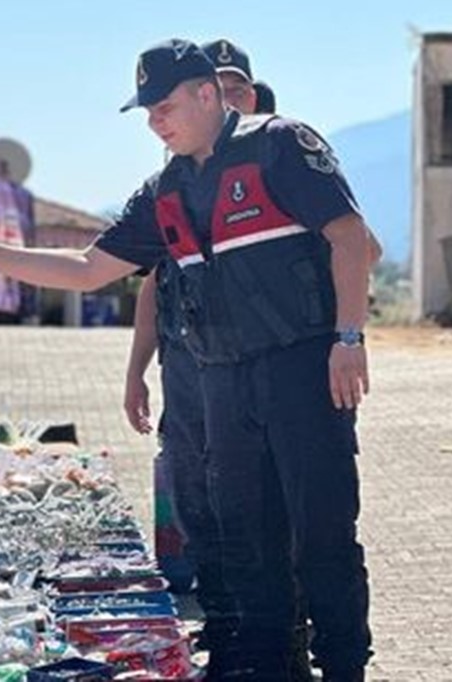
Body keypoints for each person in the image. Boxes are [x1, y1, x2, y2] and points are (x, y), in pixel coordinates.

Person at [0, 39, 374, 680]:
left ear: (209, 95)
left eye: (164, 106)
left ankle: (345, 667)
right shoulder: (163, 191)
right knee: (245, 548)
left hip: (302, 374)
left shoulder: (281, 145)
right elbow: (91, 269)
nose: (155, 122)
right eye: (146, 111)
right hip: (221, 386)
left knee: (322, 538)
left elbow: (350, 239)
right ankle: (265, 669)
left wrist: (348, 340)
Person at [123, 37, 273, 676]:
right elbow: (152, 284)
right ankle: (224, 624)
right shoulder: (169, 188)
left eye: (238, 88)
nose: (230, 98)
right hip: (186, 368)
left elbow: (352, 250)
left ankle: (276, 631)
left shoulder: (276, 162)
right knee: (193, 498)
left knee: (263, 506)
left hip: (256, 369)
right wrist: (135, 371)